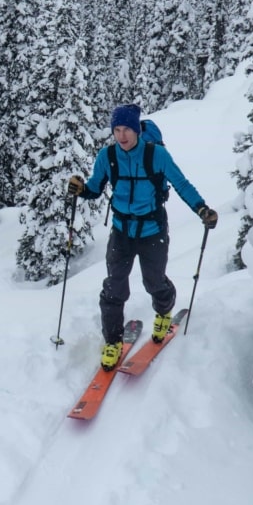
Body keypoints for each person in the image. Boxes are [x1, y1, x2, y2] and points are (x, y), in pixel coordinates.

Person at [68, 103, 219, 370]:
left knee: (154, 281)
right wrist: (80, 190)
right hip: (121, 232)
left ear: (136, 129)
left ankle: (163, 312)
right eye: (117, 129)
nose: (122, 135)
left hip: (152, 231)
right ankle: (113, 342)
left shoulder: (156, 155)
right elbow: (95, 187)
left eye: (127, 129)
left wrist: (202, 208)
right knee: (114, 287)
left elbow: (181, 183)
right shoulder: (108, 156)